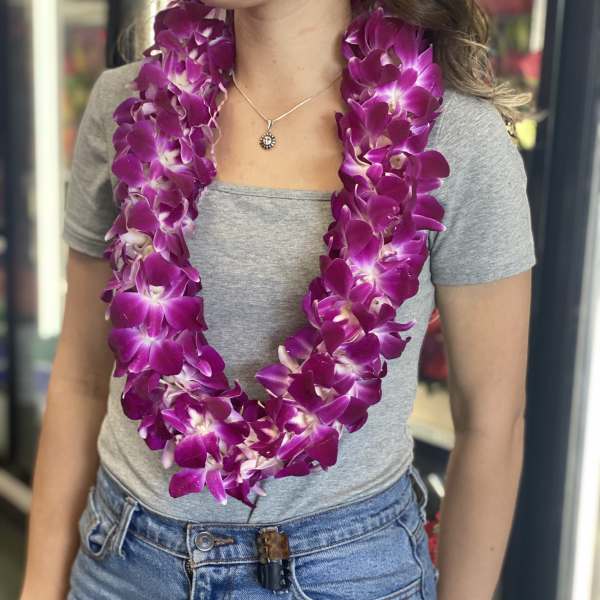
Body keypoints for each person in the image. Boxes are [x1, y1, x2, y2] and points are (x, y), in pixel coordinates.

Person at [19, 1, 537, 599]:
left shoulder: (452, 136)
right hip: (124, 561)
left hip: (348, 572)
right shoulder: (131, 105)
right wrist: (39, 587)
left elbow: (492, 422)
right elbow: (80, 380)